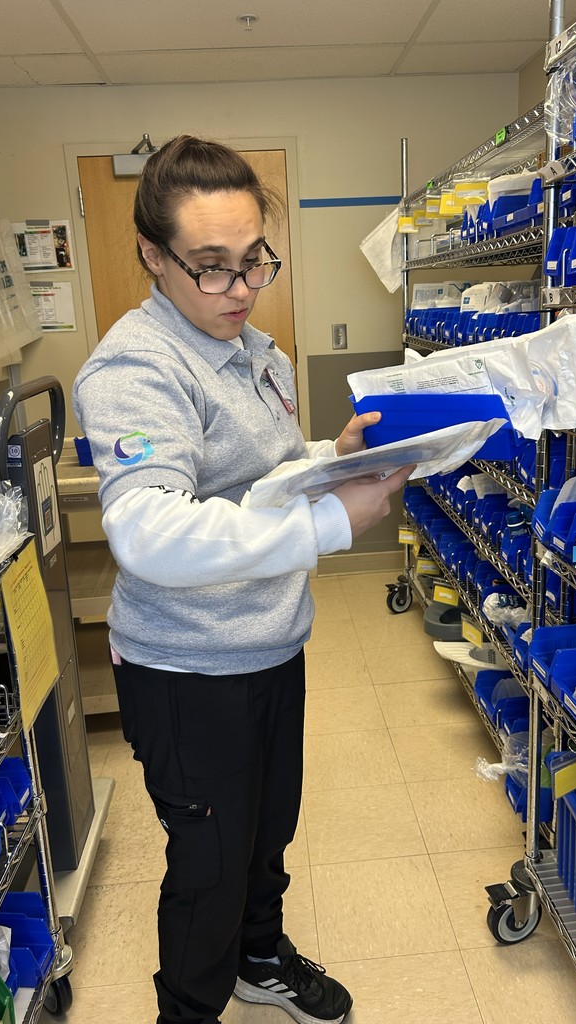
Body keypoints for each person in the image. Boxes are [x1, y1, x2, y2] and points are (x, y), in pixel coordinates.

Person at [72, 134, 411, 1024]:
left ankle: (260, 959)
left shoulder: (255, 350)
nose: (239, 289)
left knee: (264, 836)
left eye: (254, 261)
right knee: (209, 869)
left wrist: (328, 459)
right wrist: (330, 523)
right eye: (211, 267)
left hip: (269, 641)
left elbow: (254, 477)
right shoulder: (138, 367)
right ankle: (188, 1011)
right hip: (187, 670)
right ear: (153, 255)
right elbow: (149, 529)